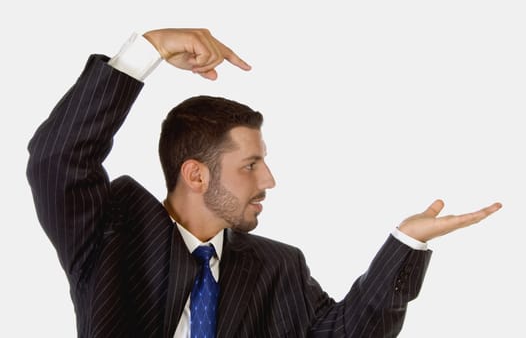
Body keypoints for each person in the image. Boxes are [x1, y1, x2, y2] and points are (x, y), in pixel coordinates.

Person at [26, 28, 501, 338]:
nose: (269, 180)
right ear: (196, 174)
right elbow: (57, 158)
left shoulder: (278, 266)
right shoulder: (111, 233)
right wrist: (148, 50)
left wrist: (406, 243)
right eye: (250, 165)